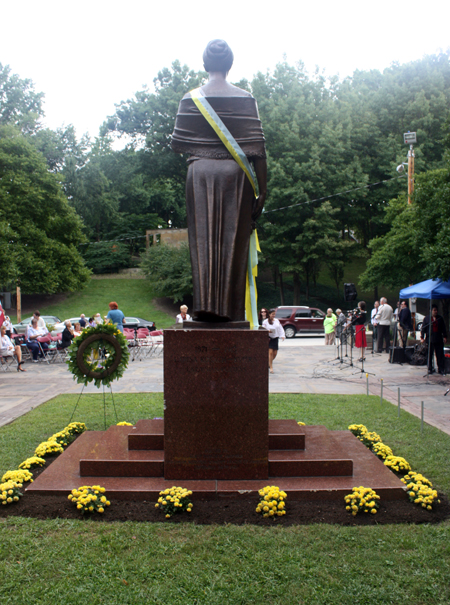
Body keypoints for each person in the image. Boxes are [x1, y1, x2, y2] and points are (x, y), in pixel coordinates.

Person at [171, 39, 267, 322]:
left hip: (199, 174)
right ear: (230, 65)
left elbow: (179, 143)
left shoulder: (190, 99)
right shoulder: (245, 98)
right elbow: (258, 152)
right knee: (233, 243)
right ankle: (233, 312)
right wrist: (263, 192)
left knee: (202, 244)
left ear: (204, 65)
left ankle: (203, 308)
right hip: (236, 177)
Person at [421, 304, 447, 375]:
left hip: (438, 338)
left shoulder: (439, 318)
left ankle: (441, 368)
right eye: (434, 310)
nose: (436, 312)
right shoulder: (427, 318)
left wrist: (445, 336)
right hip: (430, 338)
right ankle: (430, 368)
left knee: (439, 354)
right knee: (429, 354)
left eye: (436, 310)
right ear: (431, 311)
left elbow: (443, 328)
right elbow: (423, 328)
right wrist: (422, 337)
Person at [263, 309, 285, 373]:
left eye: (274, 314)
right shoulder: (265, 321)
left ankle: (268, 363)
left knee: (275, 353)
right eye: (272, 314)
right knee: (270, 352)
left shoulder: (277, 321)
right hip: (269, 338)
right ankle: (271, 367)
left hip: (275, 338)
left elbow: (280, 328)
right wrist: (268, 331)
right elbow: (263, 329)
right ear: (269, 314)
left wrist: (282, 335)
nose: (273, 315)